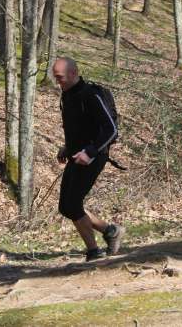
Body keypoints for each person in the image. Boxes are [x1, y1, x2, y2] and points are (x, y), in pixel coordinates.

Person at [52, 57, 123, 262]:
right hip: (76, 156)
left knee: (73, 204)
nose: (57, 82)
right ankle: (111, 231)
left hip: (94, 156)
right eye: (56, 77)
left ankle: (94, 251)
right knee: (66, 206)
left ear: (73, 73)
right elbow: (78, 127)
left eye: (60, 77)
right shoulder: (67, 95)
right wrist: (67, 146)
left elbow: (111, 129)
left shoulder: (90, 94)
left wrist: (90, 152)